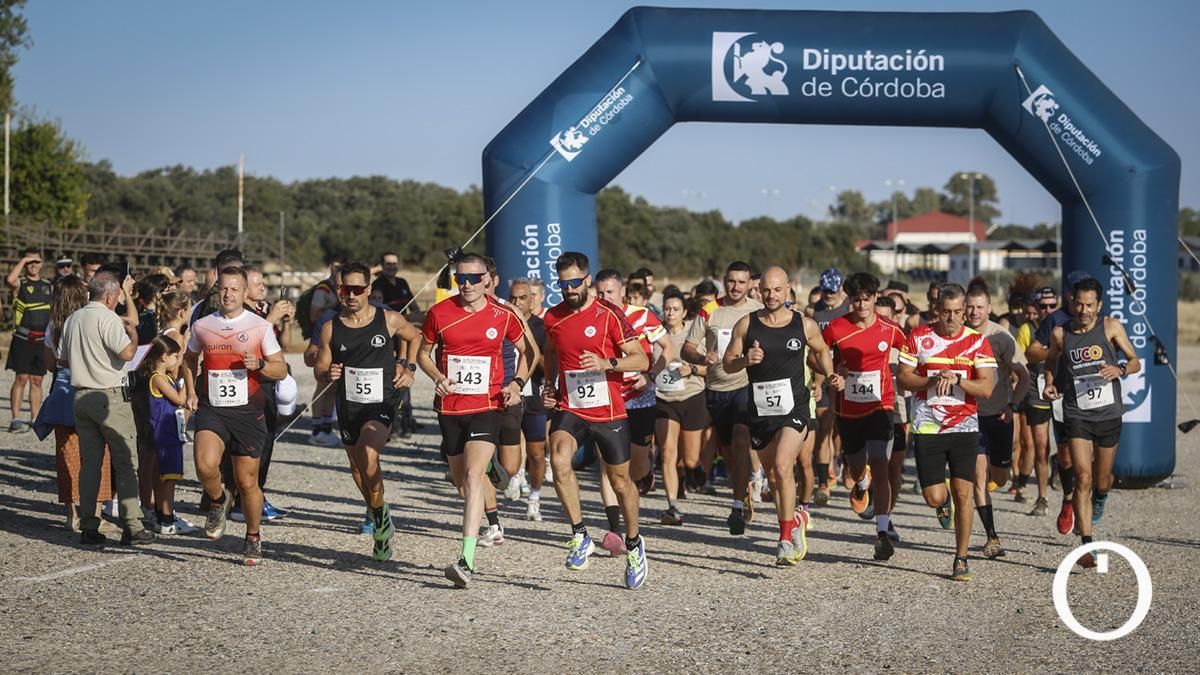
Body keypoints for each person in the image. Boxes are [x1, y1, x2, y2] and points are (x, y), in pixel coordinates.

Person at [416, 252, 533, 588]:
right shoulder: (440, 313)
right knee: (461, 482)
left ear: (487, 279)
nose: (466, 284)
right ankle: (488, 473)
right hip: (450, 408)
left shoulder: (503, 314)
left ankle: (466, 560)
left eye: (473, 278)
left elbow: (530, 352)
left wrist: (516, 384)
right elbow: (422, 353)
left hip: (487, 406)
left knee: (471, 476)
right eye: (460, 278)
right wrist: (436, 375)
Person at [541, 251, 650, 589]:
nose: (569, 288)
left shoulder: (609, 315)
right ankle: (580, 535)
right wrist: (549, 383)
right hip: (571, 406)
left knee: (620, 483)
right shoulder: (553, 317)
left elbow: (642, 359)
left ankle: (634, 544)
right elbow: (551, 353)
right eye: (563, 283)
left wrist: (608, 364)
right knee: (558, 459)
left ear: (587, 280)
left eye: (575, 282)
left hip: (609, 410)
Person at [725, 267, 836, 565]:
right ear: (758, 291)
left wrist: (829, 374)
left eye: (777, 290)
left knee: (784, 467)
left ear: (787, 289)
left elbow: (822, 350)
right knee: (773, 476)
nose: (772, 295)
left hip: (795, 408)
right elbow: (727, 363)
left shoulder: (804, 324)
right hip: (762, 411)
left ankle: (785, 539)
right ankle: (792, 522)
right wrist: (745, 360)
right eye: (766, 290)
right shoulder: (746, 324)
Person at [316, 261, 420, 561]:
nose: (350, 295)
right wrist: (328, 373)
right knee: (357, 466)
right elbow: (321, 366)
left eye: (357, 289)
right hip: (349, 404)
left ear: (368, 290)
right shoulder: (330, 328)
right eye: (345, 289)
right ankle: (380, 516)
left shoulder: (387, 319)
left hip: (383, 400)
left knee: (368, 453)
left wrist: (408, 366)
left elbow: (414, 337)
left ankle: (379, 517)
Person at [184, 267, 287, 566]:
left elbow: (280, 369)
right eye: (223, 289)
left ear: (244, 293)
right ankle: (217, 500)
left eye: (234, 289)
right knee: (204, 465)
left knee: (247, 483)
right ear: (217, 291)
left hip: (248, 411)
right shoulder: (203, 325)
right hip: (212, 408)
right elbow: (190, 359)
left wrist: (260, 366)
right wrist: (191, 390)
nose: (228, 294)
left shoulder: (259, 327)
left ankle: (253, 536)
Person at [897, 283, 996, 581]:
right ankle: (942, 505)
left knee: (964, 492)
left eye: (957, 312)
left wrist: (958, 380)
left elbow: (987, 388)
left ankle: (961, 557)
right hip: (928, 426)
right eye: (946, 312)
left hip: (965, 427)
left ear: (965, 311)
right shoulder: (919, 337)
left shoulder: (977, 342)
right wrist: (932, 379)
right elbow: (903, 379)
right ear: (936, 311)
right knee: (933, 496)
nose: (952, 318)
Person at [1042, 277, 1140, 568]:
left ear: (1099, 305)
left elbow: (1135, 361)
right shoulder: (1061, 333)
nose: (1083, 310)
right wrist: (1049, 382)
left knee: (1101, 480)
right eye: (1078, 304)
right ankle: (1087, 543)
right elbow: (1050, 361)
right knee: (1082, 477)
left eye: (1089, 305)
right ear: (1072, 302)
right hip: (1077, 413)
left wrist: (1119, 369)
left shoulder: (1110, 327)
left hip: (1108, 414)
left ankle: (1101, 497)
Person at [60, 271, 155, 547]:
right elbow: (126, 354)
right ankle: (132, 524)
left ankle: (89, 524)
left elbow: (63, 361)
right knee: (125, 461)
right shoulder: (108, 318)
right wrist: (134, 337)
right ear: (111, 296)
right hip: (110, 396)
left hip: (81, 395)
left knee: (90, 464)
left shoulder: (73, 319)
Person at [822, 273, 907, 560]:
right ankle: (860, 483)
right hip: (848, 410)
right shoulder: (836, 328)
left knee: (881, 463)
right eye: (856, 299)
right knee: (857, 467)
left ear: (874, 297)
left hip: (881, 405)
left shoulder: (890, 329)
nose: (862, 304)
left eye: (867, 298)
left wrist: (908, 374)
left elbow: (912, 353)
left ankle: (882, 533)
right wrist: (832, 374)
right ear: (849, 299)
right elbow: (817, 355)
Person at [681, 261, 762, 534]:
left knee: (741, 439)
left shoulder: (757, 311)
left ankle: (737, 506)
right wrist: (703, 357)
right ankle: (743, 488)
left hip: (746, 385)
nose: (736, 287)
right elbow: (687, 348)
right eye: (731, 281)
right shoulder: (710, 311)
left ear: (750, 284)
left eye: (741, 282)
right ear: (724, 281)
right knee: (728, 452)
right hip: (716, 389)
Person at [34, 275, 114, 531]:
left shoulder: (53, 326)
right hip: (89, 387)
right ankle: (96, 514)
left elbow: (49, 366)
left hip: (62, 391)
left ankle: (72, 514)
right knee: (97, 454)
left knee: (67, 455)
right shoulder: (89, 322)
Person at [964, 284, 1030, 560]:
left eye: (980, 307)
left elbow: (1024, 377)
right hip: (970, 417)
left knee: (1000, 479)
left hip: (998, 416)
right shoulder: (959, 337)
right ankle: (992, 536)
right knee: (978, 479)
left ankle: (997, 472)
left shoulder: (1001, 338)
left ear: (989, 308)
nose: (974, 312)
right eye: (970, 306)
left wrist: (1013, 405)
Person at [1025, 271, 1092, 535]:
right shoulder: (1056, 319)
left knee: (1091, 456)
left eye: (1085, 295)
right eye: (1075, 293)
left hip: (1091, 393)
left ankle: (1085, 504)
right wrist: (1057, 349)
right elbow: (1032, 352)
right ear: (1069, 294)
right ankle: (1067, 499)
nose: (1080, 300)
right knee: (1065, 453)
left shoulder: (1100, 321)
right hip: (1063, 393)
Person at [654, 290, 708, 525]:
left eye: (676, 309)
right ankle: (672, 507)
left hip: (692, 396)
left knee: (690, 460)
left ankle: (694, 472)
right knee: (667, 452)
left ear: (685, 312)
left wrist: (692, 369)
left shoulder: (693, 335)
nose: (671, 313)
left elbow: (711, 368)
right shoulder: (655, 334)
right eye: (667, 309)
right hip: (664, 399)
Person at [136, 336, 191, 535]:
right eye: (175, 356)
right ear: (164, 357)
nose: (178, 360)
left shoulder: (165, 376)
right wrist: (186, 384)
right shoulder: (157, 378)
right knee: (168, 477)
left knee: (164, 476)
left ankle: (162, 514)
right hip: (164, 433)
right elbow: (178, 399)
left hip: (169, 432)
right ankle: (166, 519)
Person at [509, 278, 549, 521]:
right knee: (506, 453)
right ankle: (513, 477)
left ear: (532, 300)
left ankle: (535, 497)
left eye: (522, 298)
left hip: (532, 397)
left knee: (536, 453)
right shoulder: (500, 321)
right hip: (507, 396)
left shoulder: (541, 327)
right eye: (513, 298)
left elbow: (547, 365)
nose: (517, 302)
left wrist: (530, 348)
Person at [1016, 287, 1058, 514]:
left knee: (1069, 449)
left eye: (1052, 306)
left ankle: (1061, 463)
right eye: (1043, 307)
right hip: (1036, 389)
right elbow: (1022, 359)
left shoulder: (1064, 325)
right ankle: (1042, 498)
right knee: (1040, 447)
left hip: (1063, 390)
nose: (1048, 311)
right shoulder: (1027, 329)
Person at [6, 247, 52, 433]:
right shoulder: (20, 283)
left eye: (37, 261)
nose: (33, 265)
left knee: (37, 380)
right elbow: (9, 280)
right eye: (29, 262)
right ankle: (16, 419)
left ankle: (35, 418)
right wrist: (24, 260)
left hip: (42, 340)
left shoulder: (48, 285)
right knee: (21, 378)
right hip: (23, 339)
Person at [372, 252, 419, 316]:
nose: (392, 267)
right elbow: (378, 311)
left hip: (404, 323)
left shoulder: (402, 282)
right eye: (388, 264)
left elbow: (413, 306)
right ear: (382, 266)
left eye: (394, 264)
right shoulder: (377, 284)